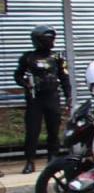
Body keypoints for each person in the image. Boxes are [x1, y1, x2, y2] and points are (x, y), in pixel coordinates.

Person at [14, 25, 71, 174]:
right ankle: (30, 161)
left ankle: (52, 160)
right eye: (48, 39)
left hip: (52, 98)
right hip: (35, 100)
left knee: (53, 130)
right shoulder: (28, 57)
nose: (51, 42)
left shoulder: (57, 57)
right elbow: (18, 75)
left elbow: (64, 78)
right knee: (32, 131)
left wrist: (68, 98)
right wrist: (26, 83)